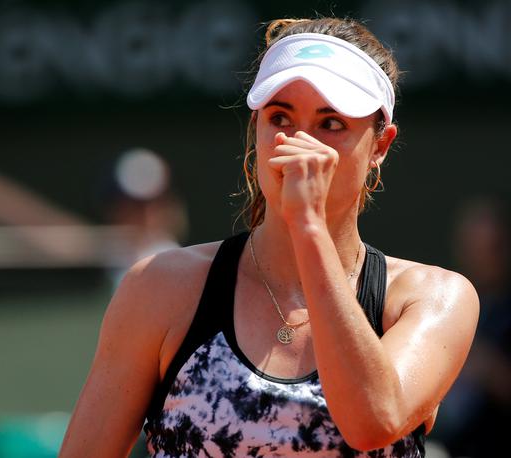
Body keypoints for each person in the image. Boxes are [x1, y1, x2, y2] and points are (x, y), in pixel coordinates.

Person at [59, 17, 479, 457]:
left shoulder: (432, 297)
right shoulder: (159, 288)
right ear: (255, 128)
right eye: (280, 117)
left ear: (380, 146)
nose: (298, 144)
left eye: (330, 123)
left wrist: (308, 226)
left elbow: (373, 421)